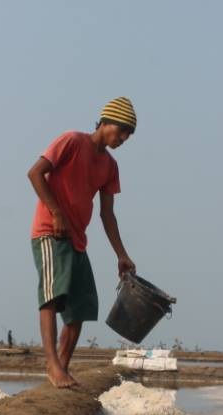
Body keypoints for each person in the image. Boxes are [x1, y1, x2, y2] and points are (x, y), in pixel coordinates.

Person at [28, 96, 137, 388]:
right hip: (50, 232)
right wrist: (56, 213)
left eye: (129, 134)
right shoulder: (72, 141)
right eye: (122, 130)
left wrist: (121, 255)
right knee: (53, 295)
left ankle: (61, 369)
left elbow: (107, 214)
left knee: (81, 307)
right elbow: (35, 173)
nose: (124, 138)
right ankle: (52, 366)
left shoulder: (109, 166)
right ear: (105, 122)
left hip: (77, 239)